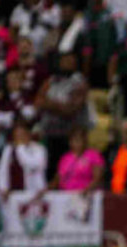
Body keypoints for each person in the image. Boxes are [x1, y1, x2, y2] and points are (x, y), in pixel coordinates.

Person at [37, 51, 90, 181]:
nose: (68, 62)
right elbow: (38, 102)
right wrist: (60, 105)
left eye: (71, 60)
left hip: (70, 134)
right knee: (49, 169)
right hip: (50, 132)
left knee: (68, 172)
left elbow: (71, 109)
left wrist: (50, 104)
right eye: (65, 60)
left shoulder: (80, 81)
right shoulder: (51, 80)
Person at [0, 119, 48, 202]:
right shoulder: (8, 150)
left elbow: (33, 165)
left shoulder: (39, 149)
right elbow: (2, 171)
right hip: (12, 194)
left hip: (34, 194)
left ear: (29, 134)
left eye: (22, 135)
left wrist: (20, 149)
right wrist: (3, 188)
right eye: (17, 135)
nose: (20, 138)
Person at [52, 127, 105, 193]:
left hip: (87, 195)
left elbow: (97, 179)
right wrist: (48, 188)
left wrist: (86, 191)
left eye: (77, 140)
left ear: (85, 141)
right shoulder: (65, 157)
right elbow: (58, 177)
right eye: (71, 140)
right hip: (66, 194)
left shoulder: (94, 156)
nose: (74, 143)